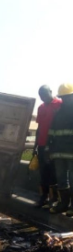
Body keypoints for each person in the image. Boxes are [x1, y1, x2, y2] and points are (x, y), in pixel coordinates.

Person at [33, 85, 61, 208]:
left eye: (44, 95)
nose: (43, 98)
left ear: (51, 92)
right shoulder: (41, 107)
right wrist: (35, 145)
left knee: (54, 173)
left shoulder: (60, 104)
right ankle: (43, 197)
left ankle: (54, 199)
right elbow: (39, 128)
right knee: (43, 173)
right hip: (42, 145)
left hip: (55, 146)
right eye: (41, 96)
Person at [48, 83, 73, 215]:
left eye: (68, 97)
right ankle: (64, 204)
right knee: (61, 179)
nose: (66, 99)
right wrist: (50, 149)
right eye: (64, 97)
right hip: (58, 153)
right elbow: (51, 132)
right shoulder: (58, 112)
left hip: (70, 153)